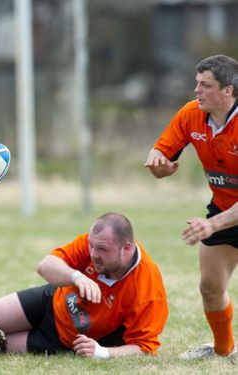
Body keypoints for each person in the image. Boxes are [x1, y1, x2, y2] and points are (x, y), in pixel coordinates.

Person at [0, 213, 168, 358]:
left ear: (126, 249)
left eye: (101, 249)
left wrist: (103, 352)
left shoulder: (147, 289)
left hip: (65, 339)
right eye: (91, 246)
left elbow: (145, 348)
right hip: (50, 301)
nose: (93, 254)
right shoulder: (96, 243)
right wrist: (77, 277)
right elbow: (45, 265)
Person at [145, 55, 238, 359]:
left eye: (205, 85)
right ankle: (224, 352)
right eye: (197, 82)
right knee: (210, 288)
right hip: (223, 210)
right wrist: (158, 164)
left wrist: (212, 224)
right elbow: (160, 151)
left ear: (228, 90)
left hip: (222, 217)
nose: (196, 90)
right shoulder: (191, 114)